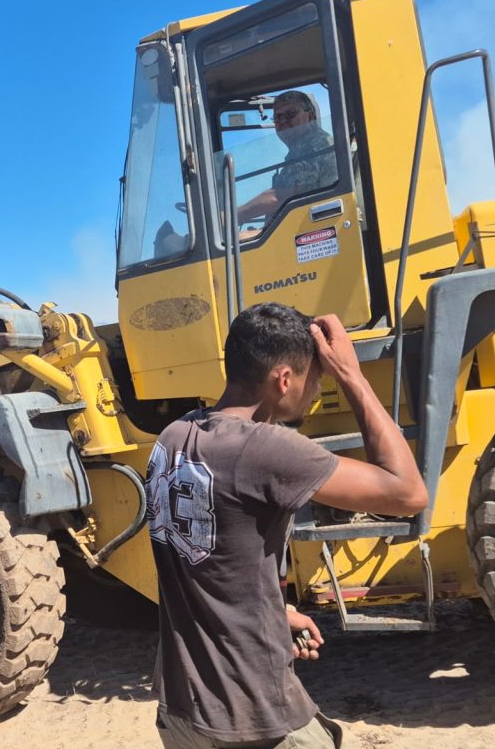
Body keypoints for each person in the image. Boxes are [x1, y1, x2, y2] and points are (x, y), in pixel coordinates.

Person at [146, 302, 427, 749]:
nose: (318, 390)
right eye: (317, 378)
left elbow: (216, 561)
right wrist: (352, 374)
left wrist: (278, 613)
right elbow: (408, 493)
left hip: (182, 708)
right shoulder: (268, 450)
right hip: (252, 716)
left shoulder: (174, 437)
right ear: (283, 379)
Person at [237, 90, 337, 228]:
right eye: (277, 117)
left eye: (291, 114)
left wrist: (238, 214)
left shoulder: (314, 145)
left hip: (317, 230)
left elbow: (280, 197)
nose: (283, 121)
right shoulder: (298, 151)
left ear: (311, 117)